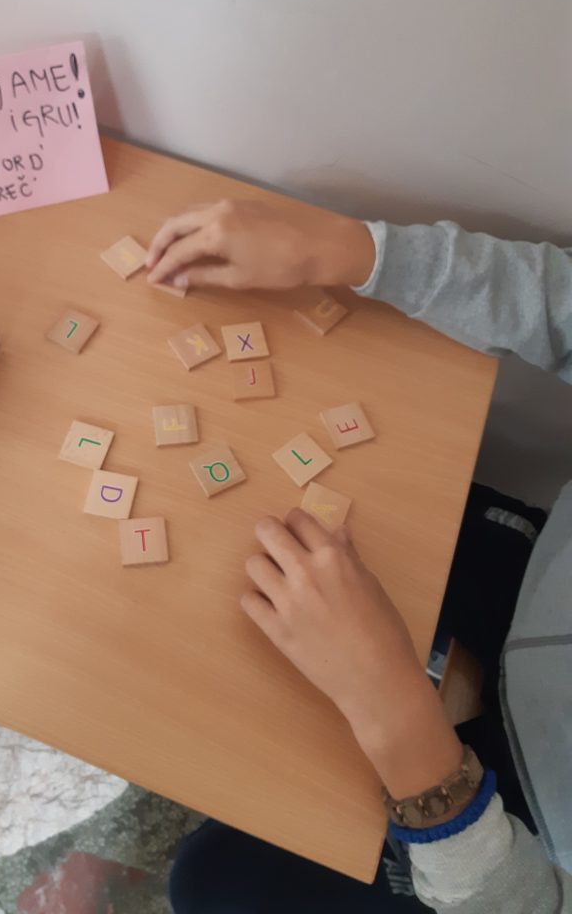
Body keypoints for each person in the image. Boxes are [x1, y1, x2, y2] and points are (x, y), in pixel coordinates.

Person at [144, 200, 572, 913]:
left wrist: (395, 714)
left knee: (214, 885)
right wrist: (351, 251)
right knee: (353, 505)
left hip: (526, 834)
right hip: (543, 584)